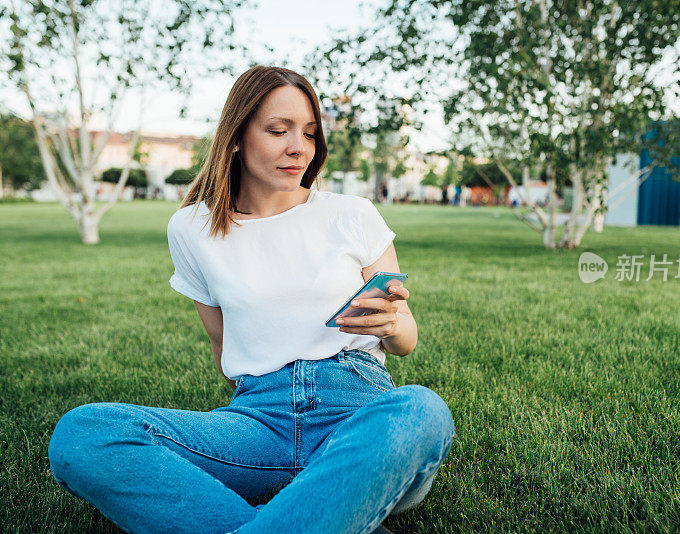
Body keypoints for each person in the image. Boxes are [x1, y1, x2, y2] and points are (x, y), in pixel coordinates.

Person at [47, 66, 456, 534]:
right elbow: (225, 355)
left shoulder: (352, 214)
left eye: (309, 132)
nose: (298, 147)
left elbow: (406, 338)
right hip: (258, 423)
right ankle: (324, 509)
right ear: (237, 135)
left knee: (422, 409)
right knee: (86, 434)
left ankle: (301, 504)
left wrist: (392, 325)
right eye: (278, 130)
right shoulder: (191, 229)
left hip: (359, 413)